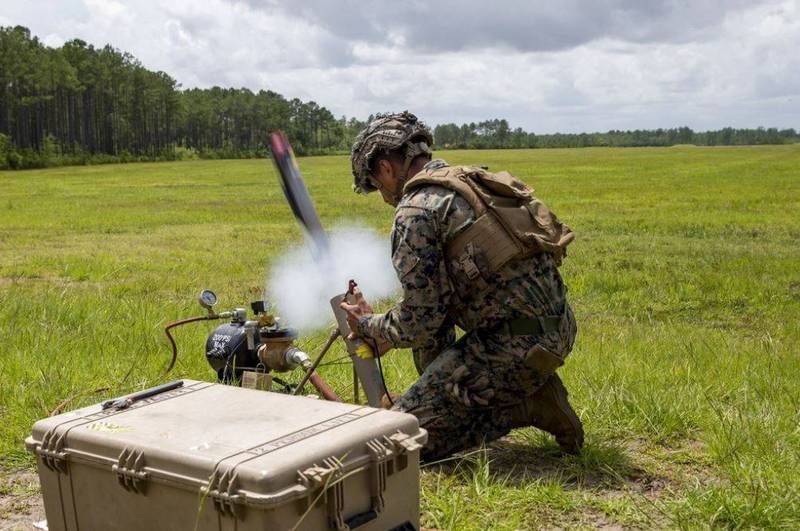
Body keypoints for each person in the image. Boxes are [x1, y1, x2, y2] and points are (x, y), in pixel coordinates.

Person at [340, 111, 583, 462]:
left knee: (399, 442)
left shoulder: (415, 210)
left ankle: (527, 405)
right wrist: (388, 328)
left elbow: (420, 321)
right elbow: (432, 310)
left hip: (515, 347)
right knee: (429, 352)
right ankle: (471, 398)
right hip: (555, 330)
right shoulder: (468, 182)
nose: (383, 197)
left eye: (376, 185)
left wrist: (369, 326)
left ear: (386, 170)